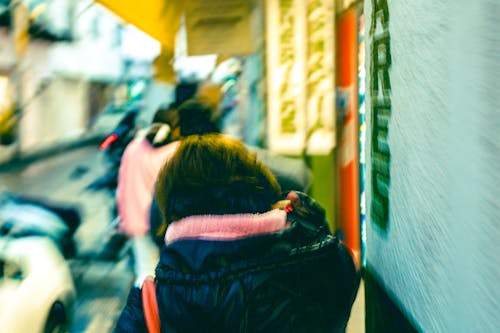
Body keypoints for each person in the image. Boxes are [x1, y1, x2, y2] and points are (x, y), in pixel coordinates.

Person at [114, 134, 360, 332]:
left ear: (169, 206)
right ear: (262, 184)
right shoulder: (324, 267)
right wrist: (315, 227)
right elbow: (338, 271)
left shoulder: (155, 305)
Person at [115, 99, 219, 286]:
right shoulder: (175, 151)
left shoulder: (133, 146)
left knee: (145, 275)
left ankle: (144, 311)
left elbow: (122, 187)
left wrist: (124, 219)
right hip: (164, 225)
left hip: (136, 223)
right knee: (169, 277)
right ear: (175, 127)